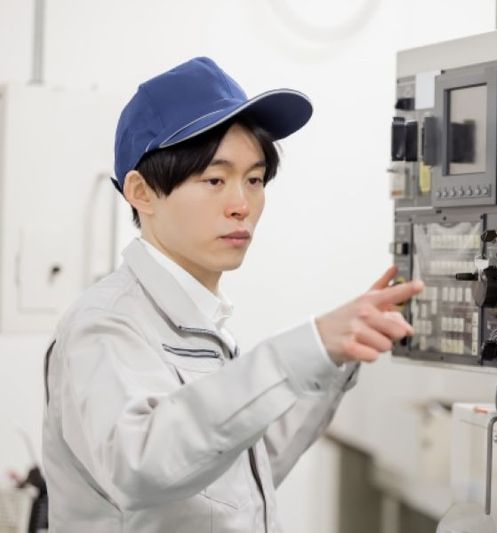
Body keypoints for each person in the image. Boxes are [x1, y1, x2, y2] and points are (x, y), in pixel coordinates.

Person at [42, 56, 422, 532]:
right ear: (141, 192)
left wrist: (334, 357)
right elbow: (140, 464)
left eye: (254, 180)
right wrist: (306, 346)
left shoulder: (196, 320)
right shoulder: (105, 323)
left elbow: (233, 479)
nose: (242, 205)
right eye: (215, 180)